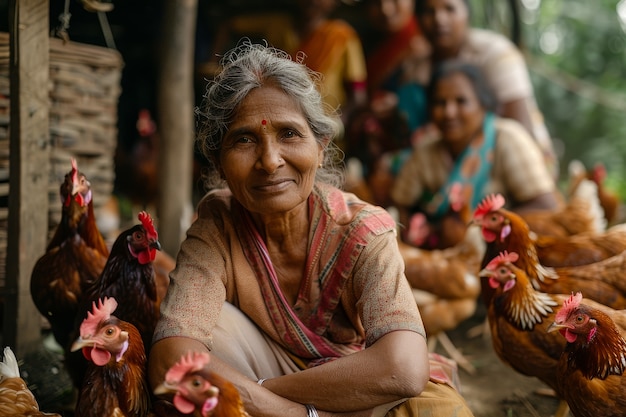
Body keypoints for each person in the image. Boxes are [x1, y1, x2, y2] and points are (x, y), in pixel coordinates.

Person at [148, 41, 474, 417]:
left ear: (321, 147)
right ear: (219, 163)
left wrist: (263, 396)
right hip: (262, 383)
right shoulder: (217, 226)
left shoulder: (363, 230)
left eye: (288, 134)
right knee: (208, 330)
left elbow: (402, 367)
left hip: (349, 387)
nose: (270, 162)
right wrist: (296, 414)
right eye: (244, 139)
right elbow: (171, 360)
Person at [391, 60, 560, 250]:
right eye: (440, 102)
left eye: (461, 101)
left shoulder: (508, 139)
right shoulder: (426, 151)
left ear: (483, 104)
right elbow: (400, 205)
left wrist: (477, 229)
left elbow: (546, 206)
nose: (449, 112)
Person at [412, 0, 559, 177]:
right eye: (429, 11)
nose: (439, 19)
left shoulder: (496, 52)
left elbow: (521, 131)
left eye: (449, 9)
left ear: (466, 13)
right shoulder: (417, 66)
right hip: (450, 169)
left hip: (517, 167)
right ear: (417, 19)